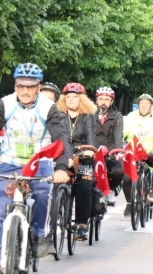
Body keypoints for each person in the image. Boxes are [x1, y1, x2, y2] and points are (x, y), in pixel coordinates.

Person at [0, 63, 71, 274]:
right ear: (15, 85)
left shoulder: (49, 107)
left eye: (31, 87)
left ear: (38, 86)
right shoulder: (4, 104)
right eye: (20, 86)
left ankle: (38, 235)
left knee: (45, 193)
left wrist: (61, 168)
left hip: (40, 164)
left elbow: (61, 137)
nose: (25, 91)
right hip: (9, 165)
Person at [58, 82, 96, 241]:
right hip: (64, 155)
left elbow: (90, 138)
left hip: (83, 155)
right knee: (57, 184)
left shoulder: (87, 116)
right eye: (68, 97)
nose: (71, 100)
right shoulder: (58, 115)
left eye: (75, 97)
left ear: (81, 100)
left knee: (84, 188)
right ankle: (57, 217)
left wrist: (89, 150)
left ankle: (82, 224)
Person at [122, 94, 153, 217]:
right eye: (141, 103)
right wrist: (119, 145)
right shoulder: (131, 116)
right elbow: (124, 131)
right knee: (126, 177)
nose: (144, 106)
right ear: (138, 105)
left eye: (147, 104)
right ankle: (129, 202)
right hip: (134, 152)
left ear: (151, 106)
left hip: (151, 152)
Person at [93, 86, 124, 206]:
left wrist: (118, 151)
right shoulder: (90, 114)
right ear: (96, 101)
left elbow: (118, 134)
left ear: (111, 101)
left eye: (106, 99)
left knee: (118, 170)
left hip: (110, 150)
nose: (103, 102)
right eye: (100, 99)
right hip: (94, 150)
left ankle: (111, 190)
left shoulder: (117, 116)